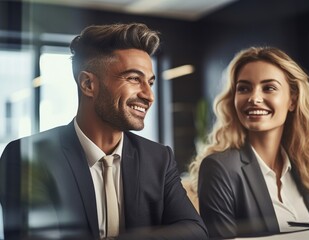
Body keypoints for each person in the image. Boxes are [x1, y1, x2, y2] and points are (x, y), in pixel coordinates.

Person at [0, 22, 208, 240]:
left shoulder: (158, 159)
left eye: (150, 82)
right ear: (88, 84)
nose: (149, 95)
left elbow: (194, 230)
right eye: (134, 79)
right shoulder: (26, 158)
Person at [188, 46, 309, 239]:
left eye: (269, 88)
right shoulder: (219, 168)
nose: (254, 98)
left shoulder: (304, 167)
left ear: (292, 100)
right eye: (244, 88)